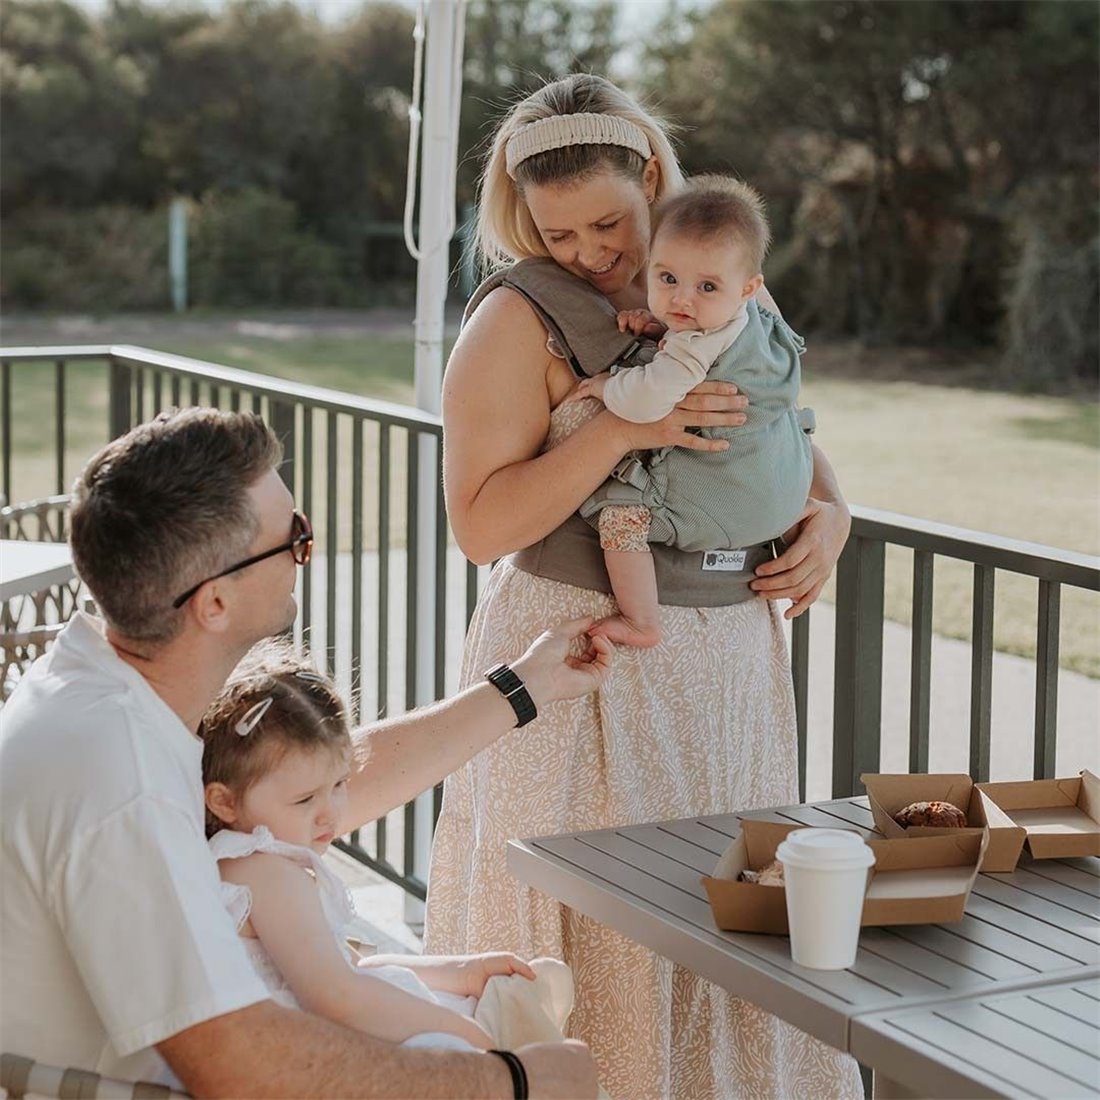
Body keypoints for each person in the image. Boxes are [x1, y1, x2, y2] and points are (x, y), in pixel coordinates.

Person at [425, 73, 861, 1099]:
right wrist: (623, 424)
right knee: (604, 938)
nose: (588, 251)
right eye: (557, 231)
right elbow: (479, 524)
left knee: (725, 933)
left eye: (607, 222)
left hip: (729, 668)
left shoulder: (713, 276)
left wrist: (832, 513)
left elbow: (785, 432)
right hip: (587, 657)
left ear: (652, 176)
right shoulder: (513, 317)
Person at [0, 407, 607, 1099]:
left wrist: (525, 685)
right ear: (215, 603)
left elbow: (298, 790)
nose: (303, 553)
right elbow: (240, 1063)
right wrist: (512, 1081)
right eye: (294, 539)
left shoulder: (104, 686)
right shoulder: (119, 777)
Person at [200, 640, 585, 1054]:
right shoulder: (266, 871)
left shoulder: (260, 862)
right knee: (521, 1032)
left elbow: (351, 968)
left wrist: (460, 971)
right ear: (223, 801)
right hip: (317, 1049)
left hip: (329, 1029)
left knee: (512, 1000)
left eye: (339, 785)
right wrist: (475, 1042)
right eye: (304, 799)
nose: (330, 813)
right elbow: (338, 996)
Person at [563, 174, 814, 648]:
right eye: (668, 278)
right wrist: (660, 328)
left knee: (619, 515)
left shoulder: (692, 347)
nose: (682, 299)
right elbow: (704, 341)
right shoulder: (752, 320)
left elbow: (647, 400)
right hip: (786, 492)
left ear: (748, 287)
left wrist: (605, 386)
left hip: (732, 502)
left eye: (706, 286)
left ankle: (641, 620)